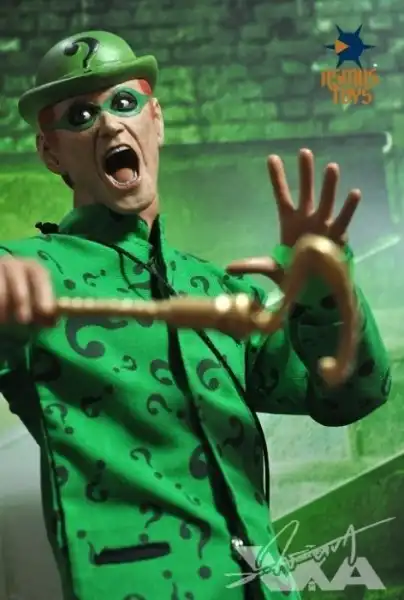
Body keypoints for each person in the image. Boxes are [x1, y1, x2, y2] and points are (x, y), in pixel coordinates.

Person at [0, 30, 390, 600]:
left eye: (125, 103)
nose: (110, 125)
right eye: (81, 115)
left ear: (155, 120)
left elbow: (351, 397)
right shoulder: (26, 273)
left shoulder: (215, 289)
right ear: (51, 152)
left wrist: (325, 292)